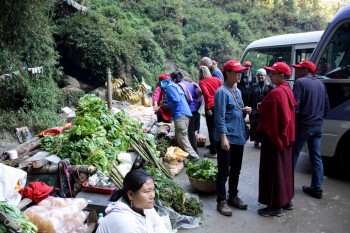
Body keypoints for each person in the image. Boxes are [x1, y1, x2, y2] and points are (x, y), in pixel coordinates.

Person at [255, 62, 297, 217]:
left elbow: (270, 119)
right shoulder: (287, 90)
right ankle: (286, 200)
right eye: (270, 73)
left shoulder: (277, 93)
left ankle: (275, 206)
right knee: (284, 171)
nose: (270, 75)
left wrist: (258, 129)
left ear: (282, 75)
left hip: (275, 139)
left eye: (273, 73)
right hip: (286, 139)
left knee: (274, 173)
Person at [214, 60, 252, 216]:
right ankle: (221, 201)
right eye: (236, 72)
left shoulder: (237, 91)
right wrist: (223, 137)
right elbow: (219, 117)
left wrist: (244, 109)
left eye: (240, 72)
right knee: (224, 171)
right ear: (227, 73)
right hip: (227, 137)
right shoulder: (221, 92)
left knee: (236, 169)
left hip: (238, 136)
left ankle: (233, 196)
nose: (239, 74)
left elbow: (236, 109)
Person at [292, 60, 330, 199]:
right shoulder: (321, 84)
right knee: (316, 157)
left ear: (306, 71)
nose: (296, 71)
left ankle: (287, 186)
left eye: (299, 69)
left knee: (293, 155)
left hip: (303, 125)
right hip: (318, 125)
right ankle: (317, 188)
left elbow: (295, 107)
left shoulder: (300, 83)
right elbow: (327, 108)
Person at [96, 169, 167, 233]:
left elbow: (158, 224)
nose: (152, 196)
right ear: (131, 195)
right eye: (147, 191)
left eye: (153, 190)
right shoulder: (125, 222)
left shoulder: (144, 206)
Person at [160, 75, 200, 162]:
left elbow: (176, 100)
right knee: (180, 138)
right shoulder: (174, 85)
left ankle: (194, 157)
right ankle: (185, 158)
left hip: (180, 114)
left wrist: (166, 105)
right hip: (184, 113)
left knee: (182, 138)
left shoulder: (170, 87)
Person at [170, 71, 201, 153]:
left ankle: (190, 152)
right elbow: (197, 95)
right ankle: (194, 149)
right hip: (195, 109)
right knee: (191, 130)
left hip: (187, 110)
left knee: (185, 132)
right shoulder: (190, 84)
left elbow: (179, 100)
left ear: (175, 79)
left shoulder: (178, 86)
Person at [198, 65, 222, 158]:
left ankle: (213, 151)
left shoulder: (202, 82)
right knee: (218, 127)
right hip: (219, 105)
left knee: (211, 129)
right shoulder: (217, 79)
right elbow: (222, 89)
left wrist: (207, 108)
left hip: (211, 107)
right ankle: (216, 146)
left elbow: (206, 94)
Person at [248, 68, 274, 147]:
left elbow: (275, 91)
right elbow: (250, 97)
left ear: (265, 76)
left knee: (264, 126)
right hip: (255, 110)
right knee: (255, 125)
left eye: (261, 75)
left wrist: (269, 85)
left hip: (265, 110)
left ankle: (263, 140)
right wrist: (249, 108)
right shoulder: (253, 86)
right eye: (258, 75)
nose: (260, 77)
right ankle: (256, 140)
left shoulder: (269, 86)